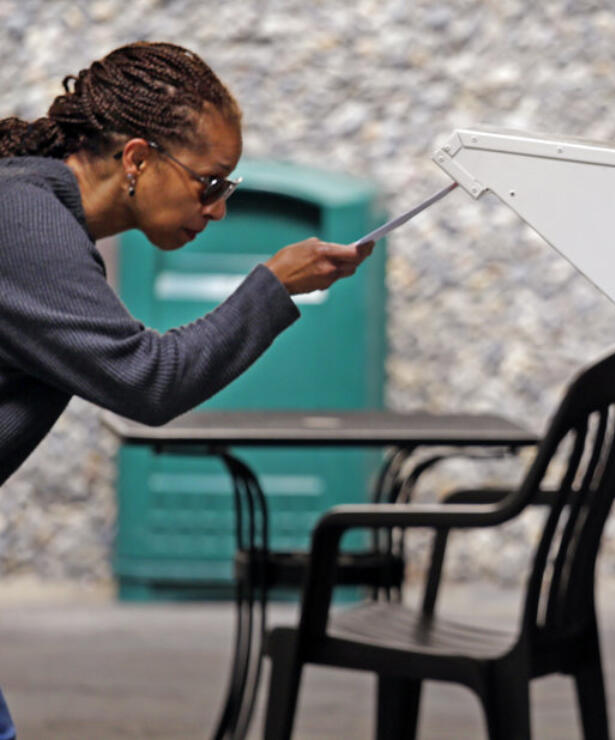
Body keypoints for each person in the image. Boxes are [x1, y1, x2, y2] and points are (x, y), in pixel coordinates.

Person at [0, 42, 375, 738]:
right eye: (212, 183)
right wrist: (273, 287)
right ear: (138, 159)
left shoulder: (34, 213)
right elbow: (147, 379)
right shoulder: (23, 222)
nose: (220, 208)